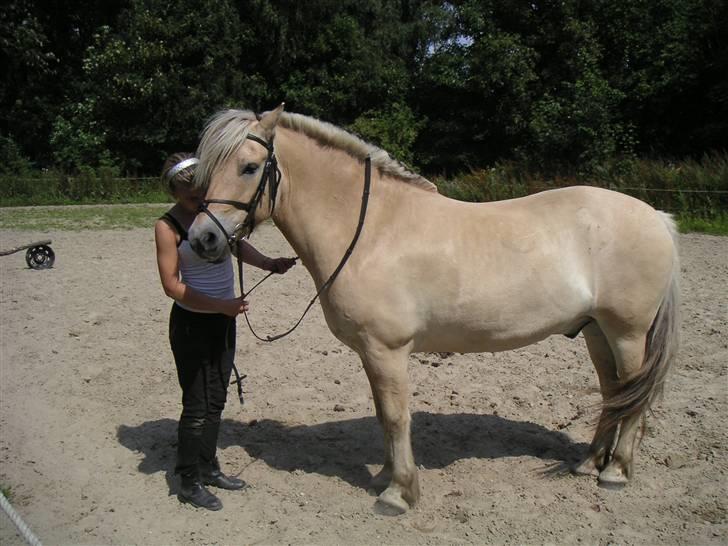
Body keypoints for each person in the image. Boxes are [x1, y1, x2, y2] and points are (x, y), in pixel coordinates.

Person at [154, 152, 295, 511]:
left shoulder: (210, 217)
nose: (198, 197)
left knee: (216, 399)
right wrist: (221, 305)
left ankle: (208, 466)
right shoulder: (167, 227)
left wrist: (269, 263)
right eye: (189, 194)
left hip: (222, 318)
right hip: (192, 323)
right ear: (174, 193)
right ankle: (188, 480)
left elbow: (236, 245)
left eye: (201, 189)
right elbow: (171, 285)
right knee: (197, 404)